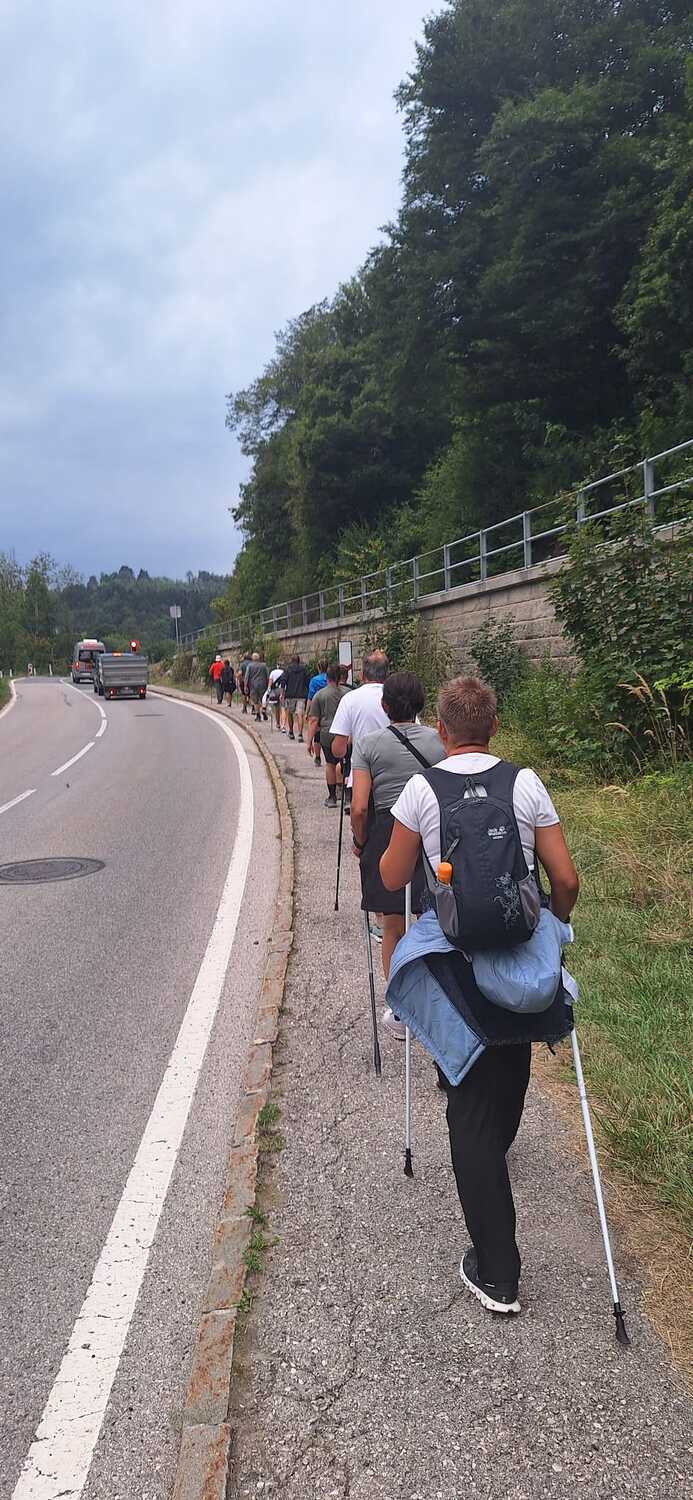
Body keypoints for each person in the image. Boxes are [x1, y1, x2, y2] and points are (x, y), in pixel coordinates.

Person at [380, 675, 579, 1316]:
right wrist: (554, 926)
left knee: (467, 1103)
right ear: (493, 727)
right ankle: (493, 1156)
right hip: (517, 953)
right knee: (510, 1065)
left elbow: (391, 875)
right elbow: (565, 878)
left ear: (441, 730)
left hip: (456, 957)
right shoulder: (525, 783)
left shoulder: (422, 789)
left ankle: (498, 1274)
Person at [350, 671, 445, 989]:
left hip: (387, 833)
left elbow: (359, 808)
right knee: (434, 918)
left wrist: (361, 842)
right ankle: (438, 992)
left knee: (392, 925)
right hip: (431, 829)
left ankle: (399, 998)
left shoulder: (367, 745)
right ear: (420, 703)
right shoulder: (438, 740)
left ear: (384, 706)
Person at [306, 663, 349, 806]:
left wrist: (309, 741)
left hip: (327, 734)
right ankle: (346, 795)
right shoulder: (348, 693)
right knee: (346, 762)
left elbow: (313, 720)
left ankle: (332, 797)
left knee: (330, 764)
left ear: (327, 677)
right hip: (345, 733)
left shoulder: (320, 695)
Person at [281, 655, 310, 740]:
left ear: (292, 661)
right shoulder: (304, 669)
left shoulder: (288, 669)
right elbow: (307, 681)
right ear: (299, 661)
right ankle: (300, 734)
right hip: (301, 694)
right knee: (300, 714)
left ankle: (291, 732)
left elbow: (283, 681)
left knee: (290, 713)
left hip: (290, 695)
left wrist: (282, 693)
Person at [245, 651, 269, 720]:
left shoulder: (250, 666)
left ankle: (258, 715)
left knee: (255, 701)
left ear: (252, 658)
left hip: (253, 685)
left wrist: (245, 686)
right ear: (258, 658)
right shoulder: (264, 665)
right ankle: (264, 709)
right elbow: (267, 676)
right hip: (263, 685)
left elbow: (247, 677)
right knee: (263, 699)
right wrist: (268, 685)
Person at [267, 662, 285, 729]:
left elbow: (270, 682)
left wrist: (269, 690)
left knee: (276, 707)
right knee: (283, 707)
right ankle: (283, 724)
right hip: (282, 690)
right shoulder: (284, 672)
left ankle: (278, 723)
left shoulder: (273, 672)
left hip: (274, 691)